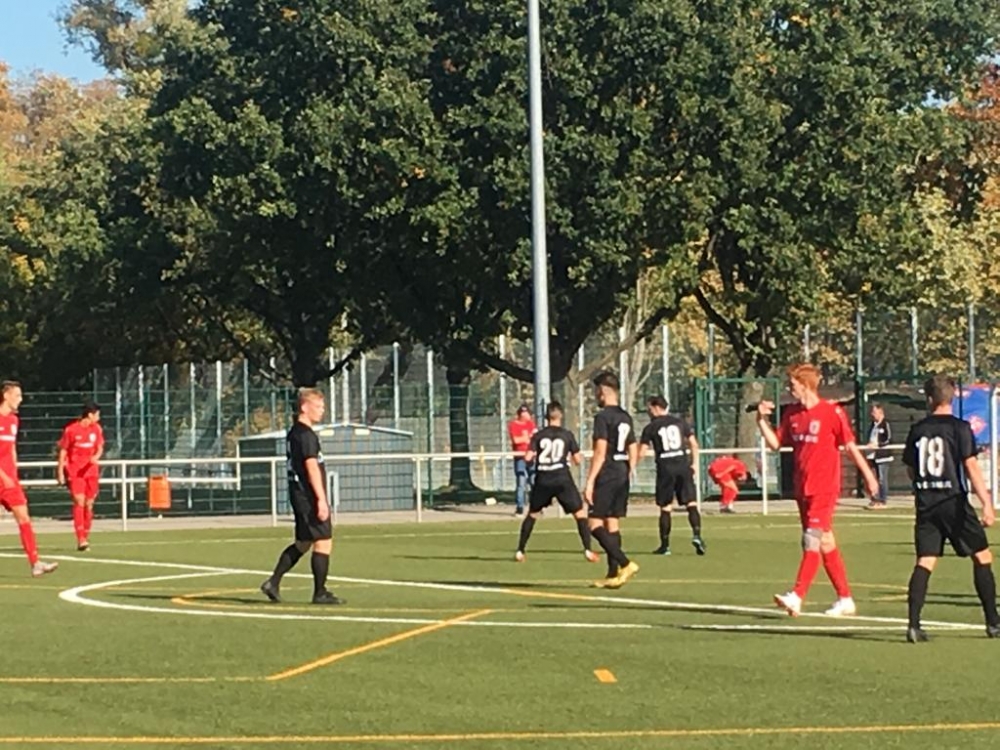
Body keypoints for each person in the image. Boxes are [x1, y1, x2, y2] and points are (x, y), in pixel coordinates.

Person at [756, 364, 880, 617]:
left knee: (811, 539)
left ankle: (797, 595)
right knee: (825, 541)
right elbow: (776, 444)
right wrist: (761, 420)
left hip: (824, 487)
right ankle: (845, 598)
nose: (789, 389)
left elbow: (850, 446)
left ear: (806, 385)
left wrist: (868, 475)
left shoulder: (832, 413)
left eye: (792, 384)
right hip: (803, 488)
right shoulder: (792, 414)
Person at [902, 375, 1000, 643]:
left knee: (925, 560)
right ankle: (993, 622)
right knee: (982, 556)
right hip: (953, 502)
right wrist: (987, 504)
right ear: (953, 397)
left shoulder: (918, 429)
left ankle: (913, 624)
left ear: (929, 399)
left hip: (926, 505)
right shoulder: (960, 428)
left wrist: (923, 486)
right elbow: (971, 467)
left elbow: (910, 468)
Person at [261, 388, 344, 605]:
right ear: (305, 407)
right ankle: (320, 592)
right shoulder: (306, 435)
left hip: (299, 495)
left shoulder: (294, 433)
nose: (322, 411)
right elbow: (311, 466)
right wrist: (321, 499)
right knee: (323, 541)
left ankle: (273, 582)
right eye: (318, 406)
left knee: (303, 542)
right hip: (307, 496)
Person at [515, 401, 599, 564]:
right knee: (579, 514)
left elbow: (528, 457)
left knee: (532, 514)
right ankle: (588, 550)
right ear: (561, 416)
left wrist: (535, 461)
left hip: (543, 479)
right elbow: (577, 460)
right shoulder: (567, 435)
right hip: (562, 478)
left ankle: (520, 551)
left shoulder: (538, 435)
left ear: (546, 417)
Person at [584, 371, 640, 589]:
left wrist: (590, 481)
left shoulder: (603, 417)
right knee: (612, 522)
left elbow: (600, 451)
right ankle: (612, 574)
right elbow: (633, 447)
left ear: (602, 391)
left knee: (594, 523)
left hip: (607, 472)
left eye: (596, 391)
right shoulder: (625, 417)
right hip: (621, 470)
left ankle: (625, 563)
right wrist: (629, 469)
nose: (595, 396)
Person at [0, 381, 59, 577]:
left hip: (10, 481)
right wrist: (3, 475)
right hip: (2, 478)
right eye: (17, 395)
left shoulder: (13, 421)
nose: (21, 399)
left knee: (24, 518)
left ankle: (35, 563)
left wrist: (13, 473)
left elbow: (11, 448)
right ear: (6, 396)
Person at [639, 396, 705, 556]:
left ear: (656, 408)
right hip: (683, 466)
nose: (648, 411)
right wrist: (694, 464)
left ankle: (665, 546)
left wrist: (631, 464)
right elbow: (694, 444)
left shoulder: (650, 427)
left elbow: (641, 451)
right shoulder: (680, 423)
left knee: (665, 507)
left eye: (649, 408)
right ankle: (697, 535)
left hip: (665, 468)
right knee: (691, 503)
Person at [57, 401, 104, 551]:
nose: (99, 417)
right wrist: (60, 471)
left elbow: (100, 448)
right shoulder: (71, 430)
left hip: (91, 471)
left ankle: (85, 535)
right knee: (79, 501)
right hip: (75, 471)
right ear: (90, 415)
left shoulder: (96, 429)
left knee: (89, 504)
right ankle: (81, 538)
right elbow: (63, 451)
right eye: (97, 414)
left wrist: (96, 457)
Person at [508, 404, 537, 517]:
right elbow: (516, 440)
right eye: (523, 413)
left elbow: (535, 438)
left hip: (531, 457)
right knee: (521, 482)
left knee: (533, 481)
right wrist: (526, 437)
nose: (526, 415)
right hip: (520, 457)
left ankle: (535, 507)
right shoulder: (513, 425)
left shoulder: (531, 424)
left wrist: (527, 438)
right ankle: (520, 508)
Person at [864, 402, 892, 509]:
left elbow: (888, 439)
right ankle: (875, 499)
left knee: (882, 479)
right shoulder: (872, 425)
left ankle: (882, 500)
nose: (872, 414)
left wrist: (878, 445)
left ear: (880, 413)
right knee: (873, 478)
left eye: (874, 412)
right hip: (872, 456)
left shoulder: (885, 424)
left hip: (882, 456)